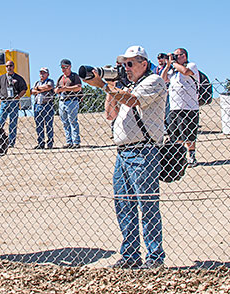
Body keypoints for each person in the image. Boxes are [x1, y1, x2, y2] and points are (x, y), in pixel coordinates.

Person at [85, 45, 167, 270]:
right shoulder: (124, 86)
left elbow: (133, 101)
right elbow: (110, 115)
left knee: (147, 205)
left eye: (129, 64)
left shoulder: (154, 82)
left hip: (143, 151)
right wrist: (110, 87)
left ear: (143, 63)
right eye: (123, 65)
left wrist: (105, 85)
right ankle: (130, 255)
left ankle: (154, 257)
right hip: (122, 153)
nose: (126, 68)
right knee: (124, 205)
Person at [161, 48, 200, 166]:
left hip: (189, 107)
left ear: (185, 56)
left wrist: (173, 63)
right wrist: (167, 65)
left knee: (188, 134)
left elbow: (186, 71)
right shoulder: (173, 70)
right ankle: (180, 157)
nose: (176, 57)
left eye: (178, 55)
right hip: (174, 107)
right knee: (175, 134)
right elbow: (162, 79)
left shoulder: (191, 65)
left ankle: (192, 156)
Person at [0, 60, 28, 148]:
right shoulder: (1, 78)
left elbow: (24, 89)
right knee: (0, 121)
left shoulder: (18, 78)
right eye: (7, 66)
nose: (9, 67)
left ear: (13, 67)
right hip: (4, 101)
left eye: (10, 66)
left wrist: (18, 97)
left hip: (14, 102)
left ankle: (11, 142)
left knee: (13, 122)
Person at [55, 59, 83, 148]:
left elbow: (78, 87)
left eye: (65, 67)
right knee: (65, 122)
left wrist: (65, 88)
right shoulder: (60, 78)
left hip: (72, 100)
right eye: (62, 67)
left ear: (70, 67)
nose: (63, 69)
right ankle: (69, 141)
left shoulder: (74, 76)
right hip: (62, 101)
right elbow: (55, 89)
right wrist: (58, 90)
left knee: (73, 121)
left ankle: (76, 142)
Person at [32, 67, 55, 149]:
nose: (42, 74)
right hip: (37, 105)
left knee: (49, 124)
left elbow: (48, 87)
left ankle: (50, 142)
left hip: (47, 105)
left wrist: (38, 89)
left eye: (44, 73)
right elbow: (32, 91)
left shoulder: (50, 81)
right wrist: (41, 89)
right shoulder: (37, 82)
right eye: (41, 72)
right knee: (39, 125)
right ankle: (41, 142)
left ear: (47, 74)